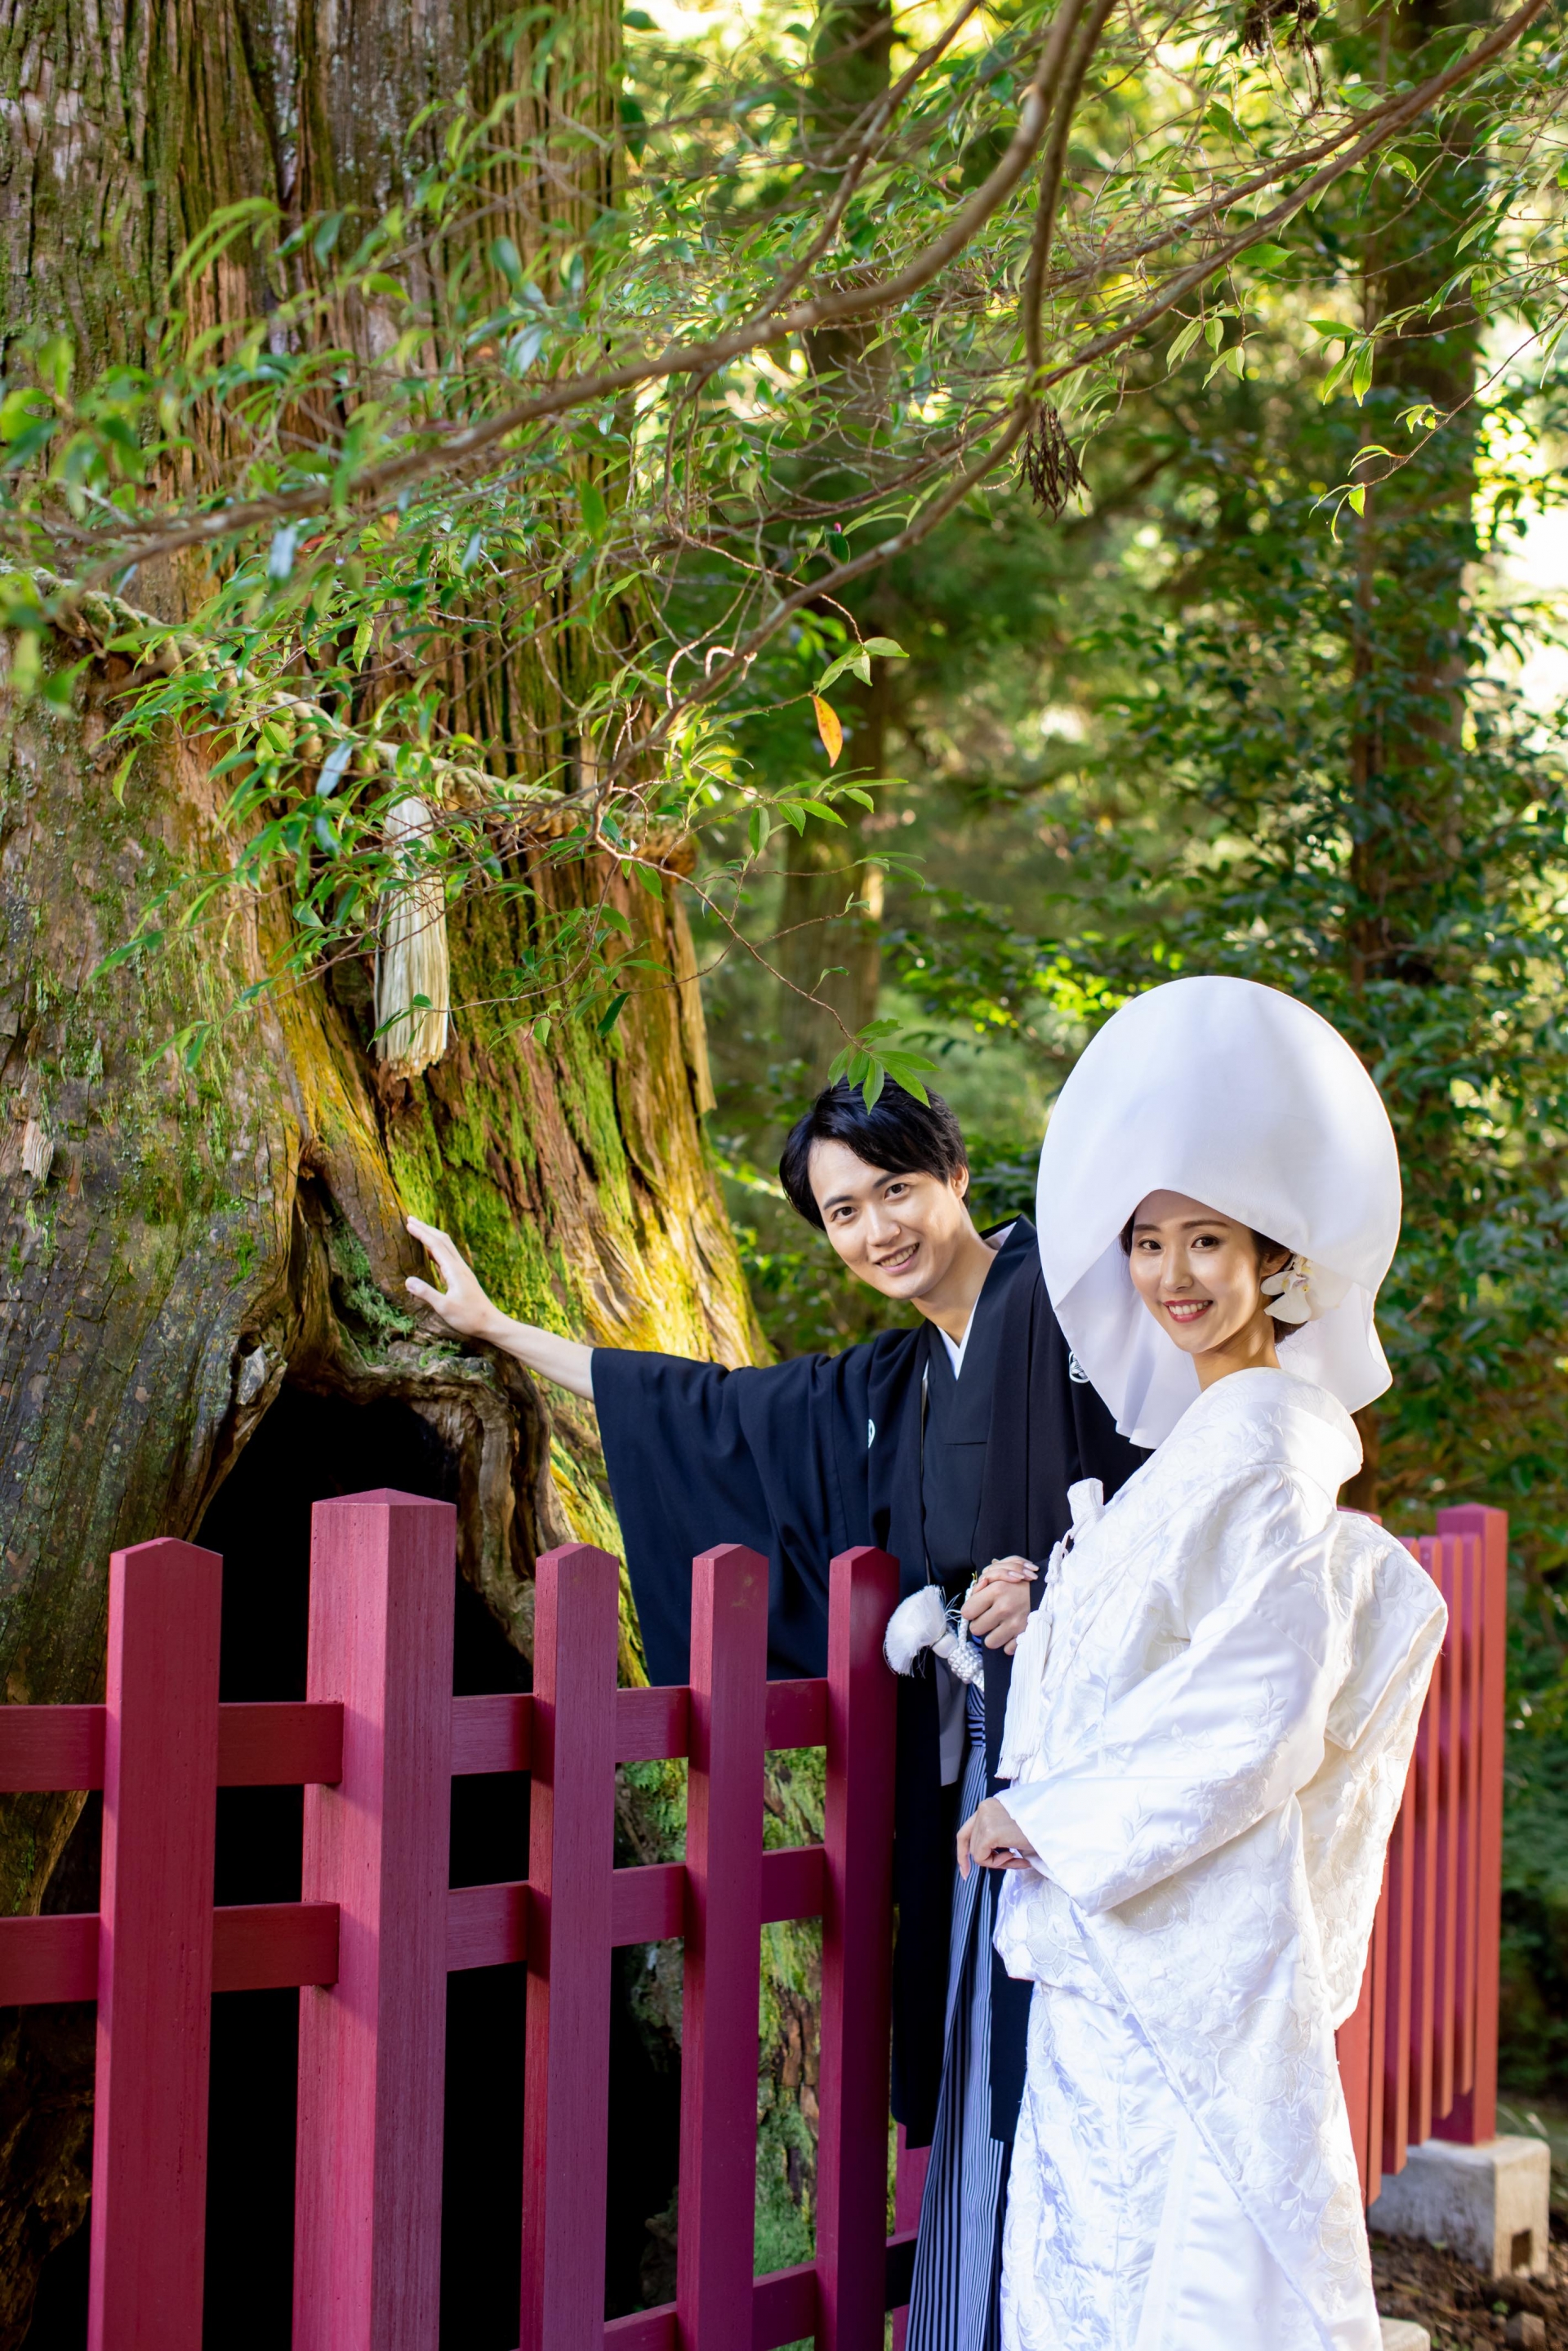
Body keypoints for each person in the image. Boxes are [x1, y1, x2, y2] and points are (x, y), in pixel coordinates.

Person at [403, 1078, 1146, 2350]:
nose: (877, 1232)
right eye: (844, 1212)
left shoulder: (1078, 1300)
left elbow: (1171, 1486)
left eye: (897, 1191)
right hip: (989, 1782)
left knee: (1093, 2059)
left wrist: (1075, 1593)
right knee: (998, 2068)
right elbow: (705, 1414)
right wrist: (499, 1328)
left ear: (958, 1176)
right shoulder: (893, 1381)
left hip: (1102, 1770)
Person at [957, 976, 1446, 2351]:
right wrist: (1048, 1607)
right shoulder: (1199, 1449)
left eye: (1207, 1242)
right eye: (1148, 1242)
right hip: (1125, 1936)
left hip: (1183, 1933)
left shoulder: (1268, 1442)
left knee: (1178, 2263)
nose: (1172, 1276)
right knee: (1109, 2248)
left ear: (1273, 1261)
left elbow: (1258, 1704)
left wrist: (1047, 1811)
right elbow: (1153, 1653)